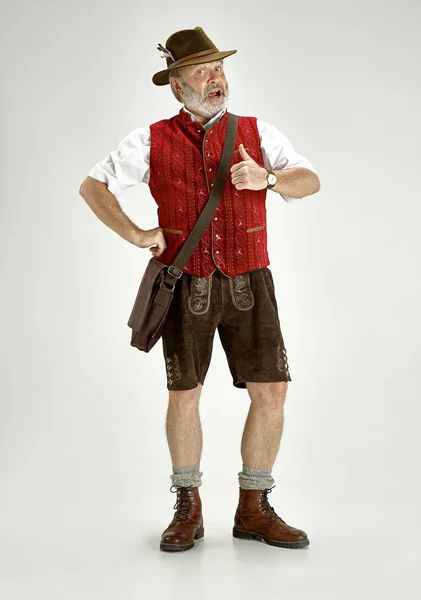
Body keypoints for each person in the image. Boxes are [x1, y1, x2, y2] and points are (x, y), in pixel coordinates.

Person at [79, 26, 320, 552]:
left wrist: (271, 180)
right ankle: (187, 505)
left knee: (271, 391)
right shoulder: (149, 140)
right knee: (184, 394)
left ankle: (253, 507)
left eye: (218, 69)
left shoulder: (258, 132)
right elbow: (92, 186)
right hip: (188, 283)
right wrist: (138, 233)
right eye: (200, 71)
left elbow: (310, 179)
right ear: (176, 85)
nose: (215, 79)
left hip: (251, 280)